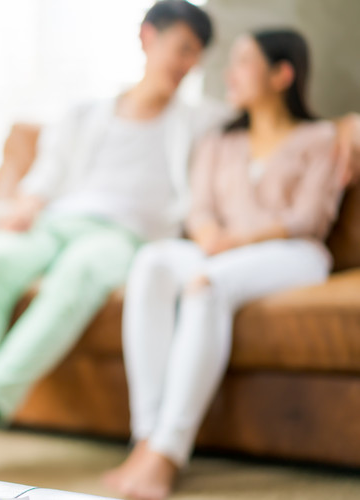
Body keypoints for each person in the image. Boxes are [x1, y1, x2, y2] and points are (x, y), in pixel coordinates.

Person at [0, 0, 225, 476]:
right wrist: (25, 208)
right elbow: (46, 178)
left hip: (124, 237)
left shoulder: (201, 121)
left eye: (196, 55)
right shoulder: (85, 113)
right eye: (181, 48)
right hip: (57, 223)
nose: (186, 64)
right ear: (148, 37)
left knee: (79, 275)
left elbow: (271, 120)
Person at [103, 29, 344, 500]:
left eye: (243, 62)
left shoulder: (321, 138)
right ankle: (147, 435)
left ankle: (169, 452)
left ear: (281, 74)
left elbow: (308, 217)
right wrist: (211, 234)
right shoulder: (219, 140)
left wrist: (239, 239)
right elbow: (200, 208)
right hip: (222, 246)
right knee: (152, 261)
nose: (227, 74)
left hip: (294, 252)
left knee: (205, 283)